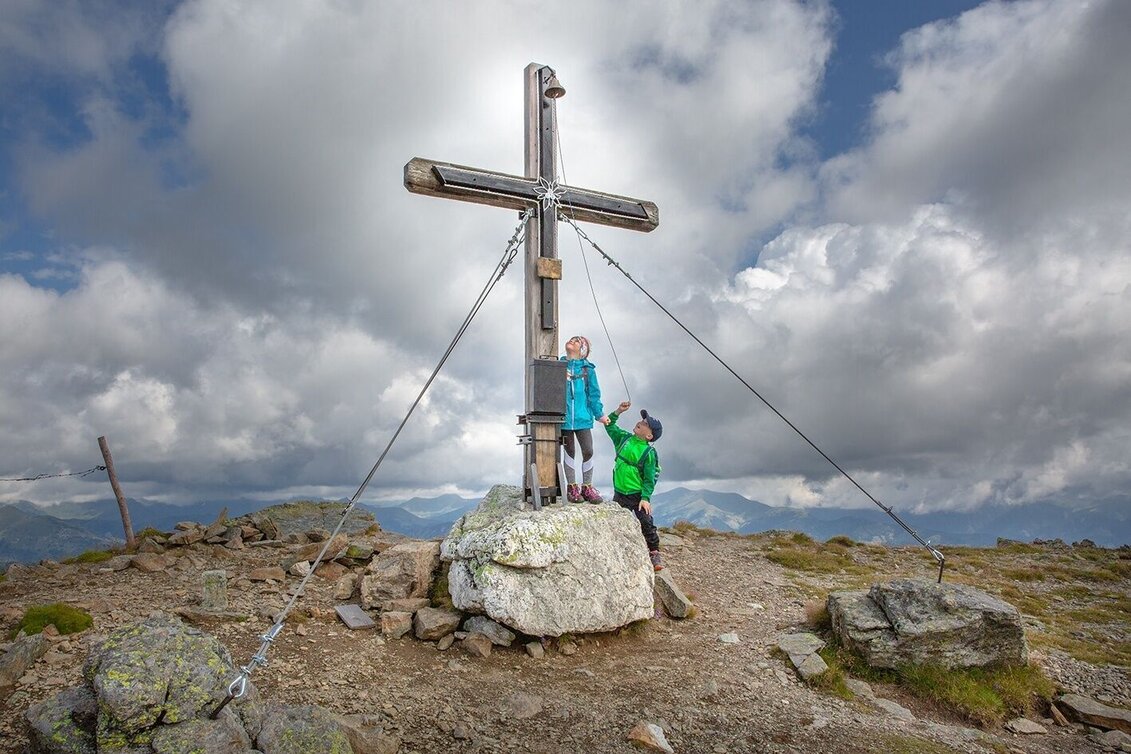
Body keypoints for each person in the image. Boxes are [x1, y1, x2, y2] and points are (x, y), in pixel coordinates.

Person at [603, 400, 664, 571]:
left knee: (646, 523)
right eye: (642, 420)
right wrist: (618, 411)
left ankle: (654, 553)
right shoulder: (624, 439)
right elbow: (609, 426)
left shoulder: (649, 453)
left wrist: (645, 498)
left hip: (638, 496)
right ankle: (613, 550)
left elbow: (649, 478)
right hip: (620, 493)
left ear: (649, 436)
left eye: (645, 424)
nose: (640, 422)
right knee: (614, 522)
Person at [560, 335, 606, 503]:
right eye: (572, 339)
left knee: (588, 450)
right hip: (564, 419)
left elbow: (594, 394)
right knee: (569, 451)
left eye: (577, 341)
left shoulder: (588, 371)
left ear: (582, 351)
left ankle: (587, 487)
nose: (572, 340)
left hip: (583, 418)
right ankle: (572, 488)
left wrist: (599, 414)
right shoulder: (559, 366)